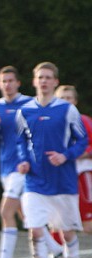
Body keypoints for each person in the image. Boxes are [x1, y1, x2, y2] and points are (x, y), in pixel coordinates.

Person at [14, 62, 88, 258]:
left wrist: (65, 156)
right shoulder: (24, 111)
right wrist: (24, 161)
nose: (44, 81)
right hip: (35, 182)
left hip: (64, 183)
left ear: (55, 82)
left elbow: (82, 140)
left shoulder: (67, 110)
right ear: (34, 82)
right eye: (40, 78)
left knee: (68, 235)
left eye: (48, 78)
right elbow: (20, 142)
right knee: (35, 231)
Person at [0, 66, 33, 258]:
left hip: (22, 167)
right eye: (4, 81)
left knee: (5, 212)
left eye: (11, 80)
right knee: (26, 216)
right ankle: (58, 253)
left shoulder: (29, 104)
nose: (7, 85)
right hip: (5, 166)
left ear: (18, 83)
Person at [55, 85, 92, 235]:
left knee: (87, 225)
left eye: (68, 98)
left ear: (75, 101)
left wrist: (82, 153)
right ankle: (59, 257)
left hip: (81, 173)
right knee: (58, 222)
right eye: (62, 98)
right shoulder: (51, 122)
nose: (65, 101)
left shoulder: (83, 120)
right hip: (59, 175)